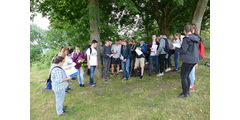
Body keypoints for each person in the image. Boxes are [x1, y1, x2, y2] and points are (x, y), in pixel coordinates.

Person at [173, 24, 200, 98]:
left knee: (183, 76)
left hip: (188, 60)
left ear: (185, 31)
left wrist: (175, 48)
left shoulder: (186, 38)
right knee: (187, 75)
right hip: (194, 59)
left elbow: (183, 50)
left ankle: (185, 93)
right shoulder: (196, 38)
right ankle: (187, 91)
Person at [189, 24, 202, 91]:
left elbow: (194, 49)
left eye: (190, 29)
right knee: (192, 70)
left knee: (190, 71)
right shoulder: (198, 37)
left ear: (193, 30)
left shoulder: (194, 38)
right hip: (195, 56)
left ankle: (191, 85)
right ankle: (192, 81)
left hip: (193, 56)